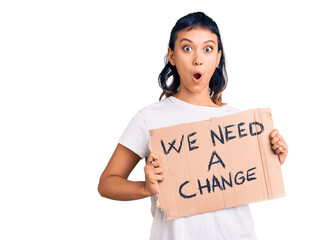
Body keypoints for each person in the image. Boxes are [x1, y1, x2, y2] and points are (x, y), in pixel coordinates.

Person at [98, 11, 288, 240]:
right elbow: (107, 183)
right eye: (187, 48)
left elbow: (252, 177)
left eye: (207, 49)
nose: (198, 59)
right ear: (172, 56)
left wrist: (272, 155)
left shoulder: (241, 123)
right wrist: (145, 188)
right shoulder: (149, 118)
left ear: (218, 58)